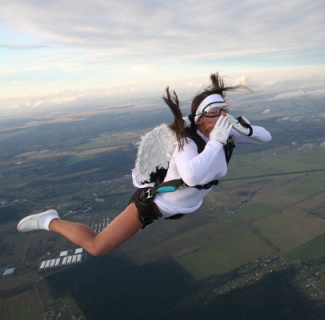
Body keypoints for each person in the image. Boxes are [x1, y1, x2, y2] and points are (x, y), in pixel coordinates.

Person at [17, 73, 272, 256]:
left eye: (224, 110)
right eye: (214, 112)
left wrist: (242, 128)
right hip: (153, 205)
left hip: (185, 206)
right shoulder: (185, 141)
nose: (222, 117)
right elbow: (193, 177)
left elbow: (266, 138)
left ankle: (50, 220)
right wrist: (216, 143)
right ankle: (49, 220)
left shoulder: (224, 133)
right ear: (200, 119)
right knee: (97, 247)